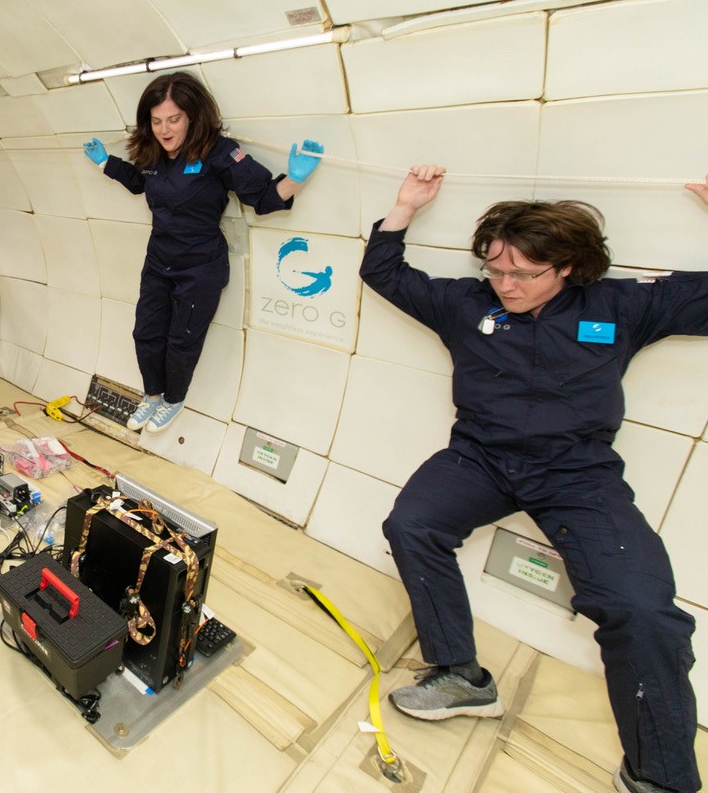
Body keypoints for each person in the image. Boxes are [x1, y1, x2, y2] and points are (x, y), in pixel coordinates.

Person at [362, 166, 708, 793]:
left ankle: (661, 777)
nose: (505, 285)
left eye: (523, 274)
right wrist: (404, 209)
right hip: (480, 457)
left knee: (642, 610)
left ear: (569, 266)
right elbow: (384, 274)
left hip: (578, 473)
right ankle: (462, 676)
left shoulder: (619, 306)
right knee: (412, 524)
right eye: (495, 270)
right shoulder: (467, 304)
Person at [83, 71, 324, 433]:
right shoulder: (152, 151)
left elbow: (262, 198)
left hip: (200, 267)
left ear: (192, 116)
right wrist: (107, 163)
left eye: (174, 120)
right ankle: (152, 395)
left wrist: (296, 178)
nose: (165, 130)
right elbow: (139, 182)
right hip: (158, 260)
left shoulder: (219, 153)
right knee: (145, 333)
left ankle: (173, 399)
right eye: (157, 120)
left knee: (182, 340)